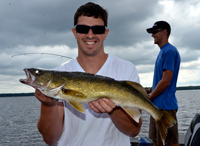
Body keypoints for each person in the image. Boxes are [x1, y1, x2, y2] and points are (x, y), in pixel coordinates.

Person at [35, 2, 142, 146]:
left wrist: (113, 110)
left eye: (97, 29)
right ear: (75, 32)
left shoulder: (127, 69)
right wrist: (48, 105)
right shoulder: (58, 76)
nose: (90, 34)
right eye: (83, 28)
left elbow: (134, 130)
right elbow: (50, 139)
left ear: (105, 33)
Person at [146, 21, 181, 146]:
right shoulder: (162, 52)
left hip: (166, 107)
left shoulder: (169, 51)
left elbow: (166, 81)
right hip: (156, 106)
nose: (152, 35)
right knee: (156, 141)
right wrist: (149, 91)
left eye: (155, 32)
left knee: (171, 142)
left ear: (165, 32)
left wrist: (150, 97)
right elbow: (160, 80)